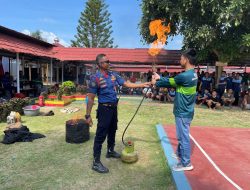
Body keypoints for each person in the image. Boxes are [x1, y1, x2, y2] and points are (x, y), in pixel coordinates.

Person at [85, 54, 151, 174]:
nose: (109, 63)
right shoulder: (95, 78)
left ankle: (110, 150)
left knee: (113, 129)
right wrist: (88, 115)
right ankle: (96, 162)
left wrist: (142, 84)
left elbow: (126, 84)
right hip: (104, 109)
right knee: (100, 134)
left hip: (114, 108)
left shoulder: (113, 74)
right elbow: (90, 98)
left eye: (109, 61)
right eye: (106, 61)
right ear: (100, 64)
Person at [152, 48, 198, 171]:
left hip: (183, 111)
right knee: (181, 135)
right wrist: (159, 77)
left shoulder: (185, 76)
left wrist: (156, 81)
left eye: (181, 58)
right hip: (186, 110)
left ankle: (186, 163)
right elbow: (171, 81)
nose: (180, 60)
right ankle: (179, 153)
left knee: (183, 137)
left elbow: (170, 82)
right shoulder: (193, 74)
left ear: (186, 60)